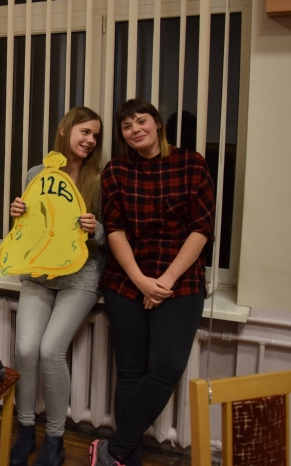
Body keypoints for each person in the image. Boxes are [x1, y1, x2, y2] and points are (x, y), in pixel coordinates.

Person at [89, 99, 215, 466]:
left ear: (157, 123)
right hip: (128, 280)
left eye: (141, 121)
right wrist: (142, 281)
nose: (135, 130)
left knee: (168, 367)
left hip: (180, 281)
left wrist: (164, 281)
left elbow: (202, 229)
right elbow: (114, 230)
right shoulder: (116, 170)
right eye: (127, 126)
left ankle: (113, 449)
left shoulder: (192, 164)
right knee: (129, 371)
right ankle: (126, 461)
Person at [8, 107, 107, 466]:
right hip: (39, 274)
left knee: (51, 351)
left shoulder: (100, 179)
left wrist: (94, 229)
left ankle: (55, 439)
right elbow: (29, 229)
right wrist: (18, 213)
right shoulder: (37, 174)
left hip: (81, 277)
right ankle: (25, 431)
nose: (90, 140)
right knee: (25, 349)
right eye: (85, 131)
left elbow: (111, 236)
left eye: (95, 135)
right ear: (65, 130)